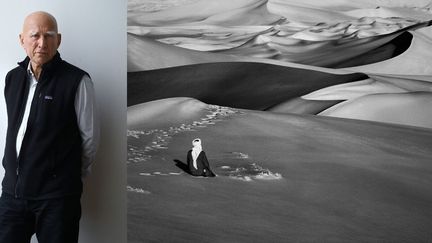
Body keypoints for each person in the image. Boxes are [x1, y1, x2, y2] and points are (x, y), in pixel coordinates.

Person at [0, 11, 99, 243]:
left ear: (59, 39)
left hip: (57, 200)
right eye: (35, 35)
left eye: (49, 35)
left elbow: (90, 140)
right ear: (22, 39)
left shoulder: (77, 81)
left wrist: (66, 179)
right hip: (12, 196)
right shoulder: (12, 79)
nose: (42, 43)